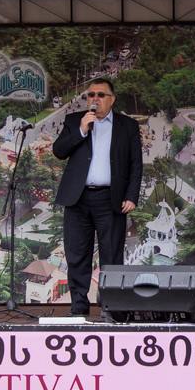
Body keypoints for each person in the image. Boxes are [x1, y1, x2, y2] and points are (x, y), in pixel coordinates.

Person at [52, 78, 143, 316]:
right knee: (77, 254)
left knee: (111, 254)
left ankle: (111, 308)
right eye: (91, 95)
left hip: (111, 199)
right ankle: (79, 307)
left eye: (101, 95)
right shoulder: (75, 121)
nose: (95, 99)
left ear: (112, 99)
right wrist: (82, 130)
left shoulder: (128, 126)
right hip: (78, 198)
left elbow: (136, 164)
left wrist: (132, 195)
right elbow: (59, 151)